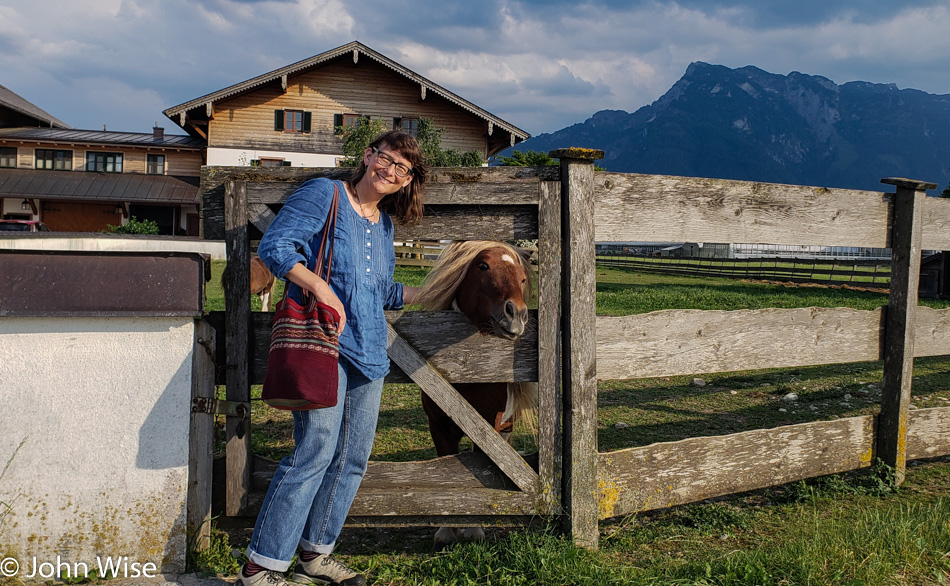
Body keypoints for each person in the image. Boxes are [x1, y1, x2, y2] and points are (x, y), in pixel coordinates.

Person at [237, 130, 427, 586]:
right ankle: (259, 566)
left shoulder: (384, 225)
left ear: (407, 180)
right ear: (368, 156)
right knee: (315, 452)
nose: (391, 170)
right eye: (386, 159)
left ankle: (314, 556)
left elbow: (382, 290)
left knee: (353, 458)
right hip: (324, 344)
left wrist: (437, 292)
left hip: (370, 353)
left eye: (402, 168)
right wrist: (320, 287)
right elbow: (276, 248)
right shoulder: (327, 194)